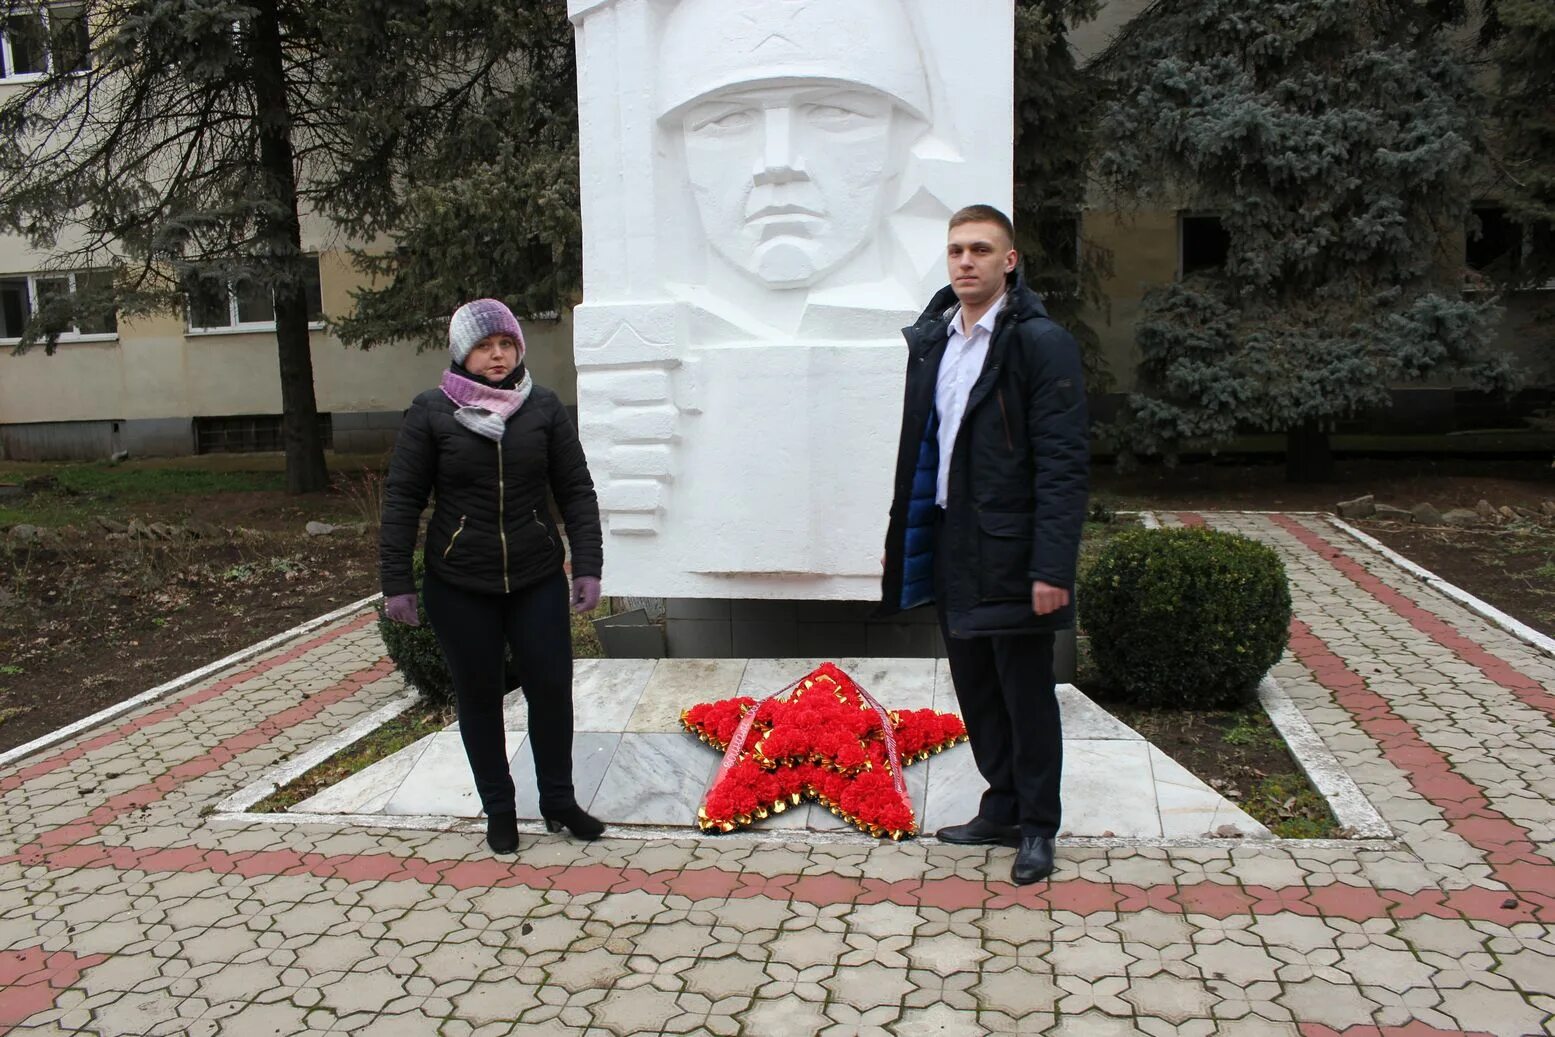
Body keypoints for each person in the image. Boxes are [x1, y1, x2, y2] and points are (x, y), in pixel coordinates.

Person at [878, 205, 1089, 884]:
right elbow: (921, 450)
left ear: (1009, 261)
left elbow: (1062, 462)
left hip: (1012, 546)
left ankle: (1036, 826)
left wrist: (1051, 564)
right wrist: (901, 537)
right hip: (950, 539)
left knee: (1024, 691)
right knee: (975, 687)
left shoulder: (1039, 342)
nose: (964, 261)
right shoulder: (933, 340)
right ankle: (999, 806)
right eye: (955, 250)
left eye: (979, 249)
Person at [379, 299, 604, 855]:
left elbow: (575, 490)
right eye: (484, 346)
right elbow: (403, 499)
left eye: (505, 343)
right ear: (462, 353)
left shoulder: (544, 408)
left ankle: (558, 801)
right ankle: (499, 809)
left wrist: (589, 565)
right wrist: (396, 582)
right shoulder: (431, 411)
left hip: (535, 577)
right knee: (479, 696)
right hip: (460, 584)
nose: (497, 355)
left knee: (551, 690)